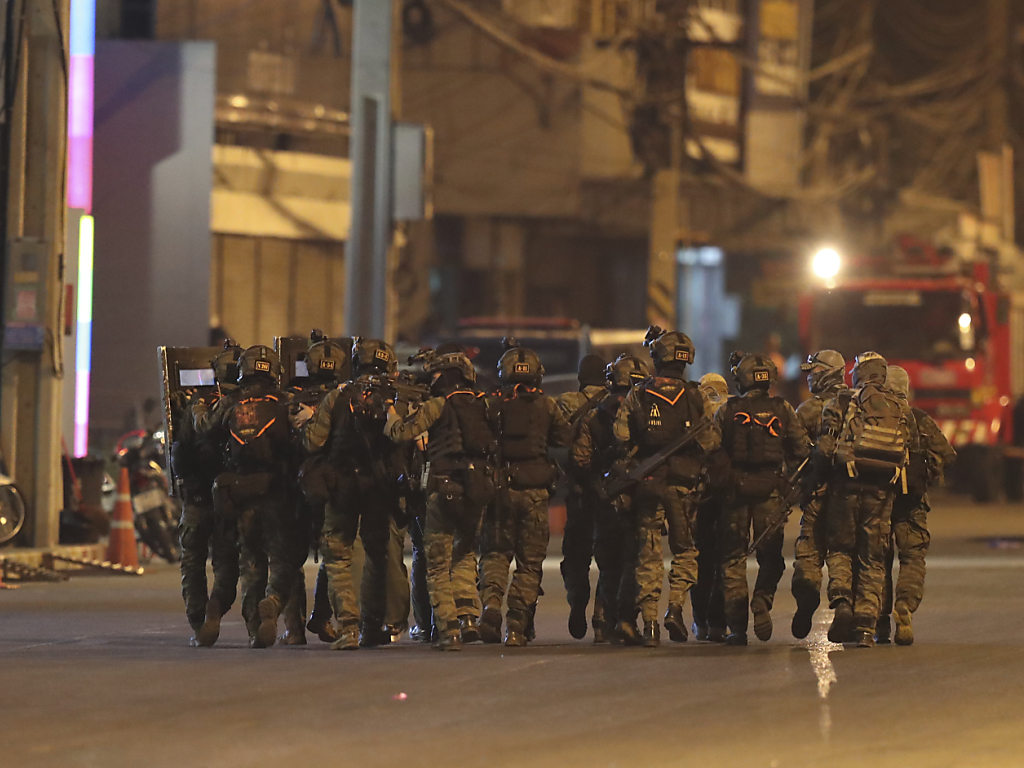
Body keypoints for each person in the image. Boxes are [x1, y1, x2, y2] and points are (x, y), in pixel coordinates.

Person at [613, 327, 721, 647]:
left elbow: (621, 437)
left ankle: (650, 626)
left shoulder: (639, 393)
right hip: (683, 486)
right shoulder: (695, 394)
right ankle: (675, 608)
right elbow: (712, 441)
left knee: (649, 554)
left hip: (648, 483)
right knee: (686, 551)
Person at [385, 347, 496, 650]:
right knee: (464, 557)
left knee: (437, 565)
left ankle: (448, 630)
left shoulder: (437, 405)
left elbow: (400, 433)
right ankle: (468, 618)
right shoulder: (483, 403)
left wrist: (393, 411)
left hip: (443, 490)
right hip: (477, 488)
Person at [303, 338, 402, 650]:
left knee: (337, 556)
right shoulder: (395, 397)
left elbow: (313, 442)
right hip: (377, 486)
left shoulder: (338, 396)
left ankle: (348, 627)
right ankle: (372, 626)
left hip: (342, 483)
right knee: (376, 554)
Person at [817, 351, 918, 647]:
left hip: (846, 488)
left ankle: (842, 601)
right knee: (873, 558)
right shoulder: (900, 407)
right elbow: (911, 450)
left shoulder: (841, 403)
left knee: (840, 549)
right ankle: (864, 626)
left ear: (857, 375)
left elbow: (826, 447)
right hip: (882, 491)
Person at [201, 345, 297, 648]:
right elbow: (300, 443)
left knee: (250, 562)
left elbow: (206, 435)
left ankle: (254, 628)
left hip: (238, 492)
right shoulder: (283, 403)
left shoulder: (230, 403)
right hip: (274, 490)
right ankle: (274, 599)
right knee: (282, 558)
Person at [479, 340, 573, 647]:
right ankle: (517, 627)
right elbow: (563, 438)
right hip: (535, 493)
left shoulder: (493, 405)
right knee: (530, 564)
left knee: (495, 554)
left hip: (500, 490)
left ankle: (491, 606)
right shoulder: (547, 405)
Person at [715, 354, 810, 645]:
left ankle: (737, 629)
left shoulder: (727, 410)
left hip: (735, 493)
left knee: (732, 560)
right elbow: (802, 449)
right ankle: (761, 600)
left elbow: (710, 447)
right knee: (771, 558)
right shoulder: (783, 409)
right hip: (771, 493)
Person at [570, 354, 648, 643]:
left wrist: (596, 483)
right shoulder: (642, 410)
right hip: (636, 497)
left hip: (603, 500)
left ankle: (603, 620)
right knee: (633, 560)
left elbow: (580, 460)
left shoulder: (594, 415)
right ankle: (623, 620)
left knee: (608, 561)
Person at [877, 365, 955, 645]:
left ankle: (879, 624)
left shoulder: (875, 418)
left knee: (879, 562)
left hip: (880, 502)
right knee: (912, 558)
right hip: (913, 503)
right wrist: (927, 472)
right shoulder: (919, 418)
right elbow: (947, 453)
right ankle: (905, 606)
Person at [173, 341, 242, 647]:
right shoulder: (248, 406)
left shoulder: (197, 406)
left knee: (192, 561)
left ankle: (198, 621)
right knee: (227, 563)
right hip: (229, 498)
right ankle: (215, 609)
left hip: (198, 498)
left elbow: (179, 453)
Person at [281, 332, 348, 645]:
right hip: (331, 487)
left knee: (292, 559)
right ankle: (322, 615)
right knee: (333, 555)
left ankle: (294, 629)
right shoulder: (344, 397)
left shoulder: (289, 398)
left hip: (293, 488)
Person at [790, 350, 848, 639]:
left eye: (813, 370)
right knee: (842, 550)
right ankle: (843, 604)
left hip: (817, 492)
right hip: (849, 495)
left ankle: (807, 594)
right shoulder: (856, 404)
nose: (809, 375)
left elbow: (794, 450)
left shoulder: (810, 409)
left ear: (827, 373)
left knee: (810, 548)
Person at [556, 354, 609, 640]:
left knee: (576, 554)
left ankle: (577, 599)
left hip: (577, 491)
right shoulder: (615, 404)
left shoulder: (567, 402)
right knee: (608, 555)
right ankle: (601, 613)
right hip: (608, 491)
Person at [690, 372, 731, 642]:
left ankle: (701, 621)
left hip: (699, 495)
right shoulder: (735, 412)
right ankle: (720, 621)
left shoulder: (696, 414)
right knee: (726, 559)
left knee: (700, 560)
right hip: (730, 494)